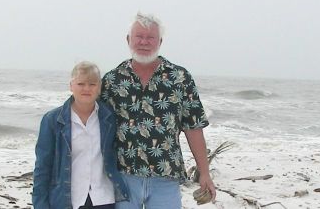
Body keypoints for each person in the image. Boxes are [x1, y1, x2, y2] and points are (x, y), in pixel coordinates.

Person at [100, 13, 216, 208]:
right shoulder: (112, 80)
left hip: (166, 178)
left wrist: (204, 172)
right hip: (123, 176)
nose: (144, 42)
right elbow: (97, 127)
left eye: (150, 37)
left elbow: (193, 127)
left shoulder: (180, 77)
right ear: (128, 39)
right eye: (139, 36)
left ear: (160, 41)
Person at [33, 61, 129, 209]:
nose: (86, 89)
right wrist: (40, 204)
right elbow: (43, 167)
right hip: (68, 199)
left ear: (99, 87)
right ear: (71, 86)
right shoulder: (52, 120)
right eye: (81, 84)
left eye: (92, 84)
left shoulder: (109, 117)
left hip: (103, 198)